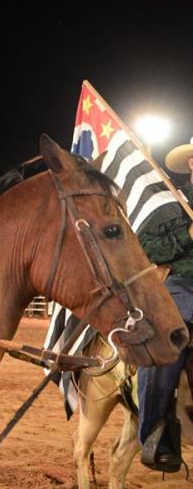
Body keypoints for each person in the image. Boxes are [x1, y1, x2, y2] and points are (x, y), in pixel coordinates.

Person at [136, 138, 193, 472]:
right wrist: (188, 232)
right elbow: (150, 247)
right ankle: (157, 434)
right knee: (165, 344)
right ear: (191, 164)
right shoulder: (169, 202)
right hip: (183, 284)